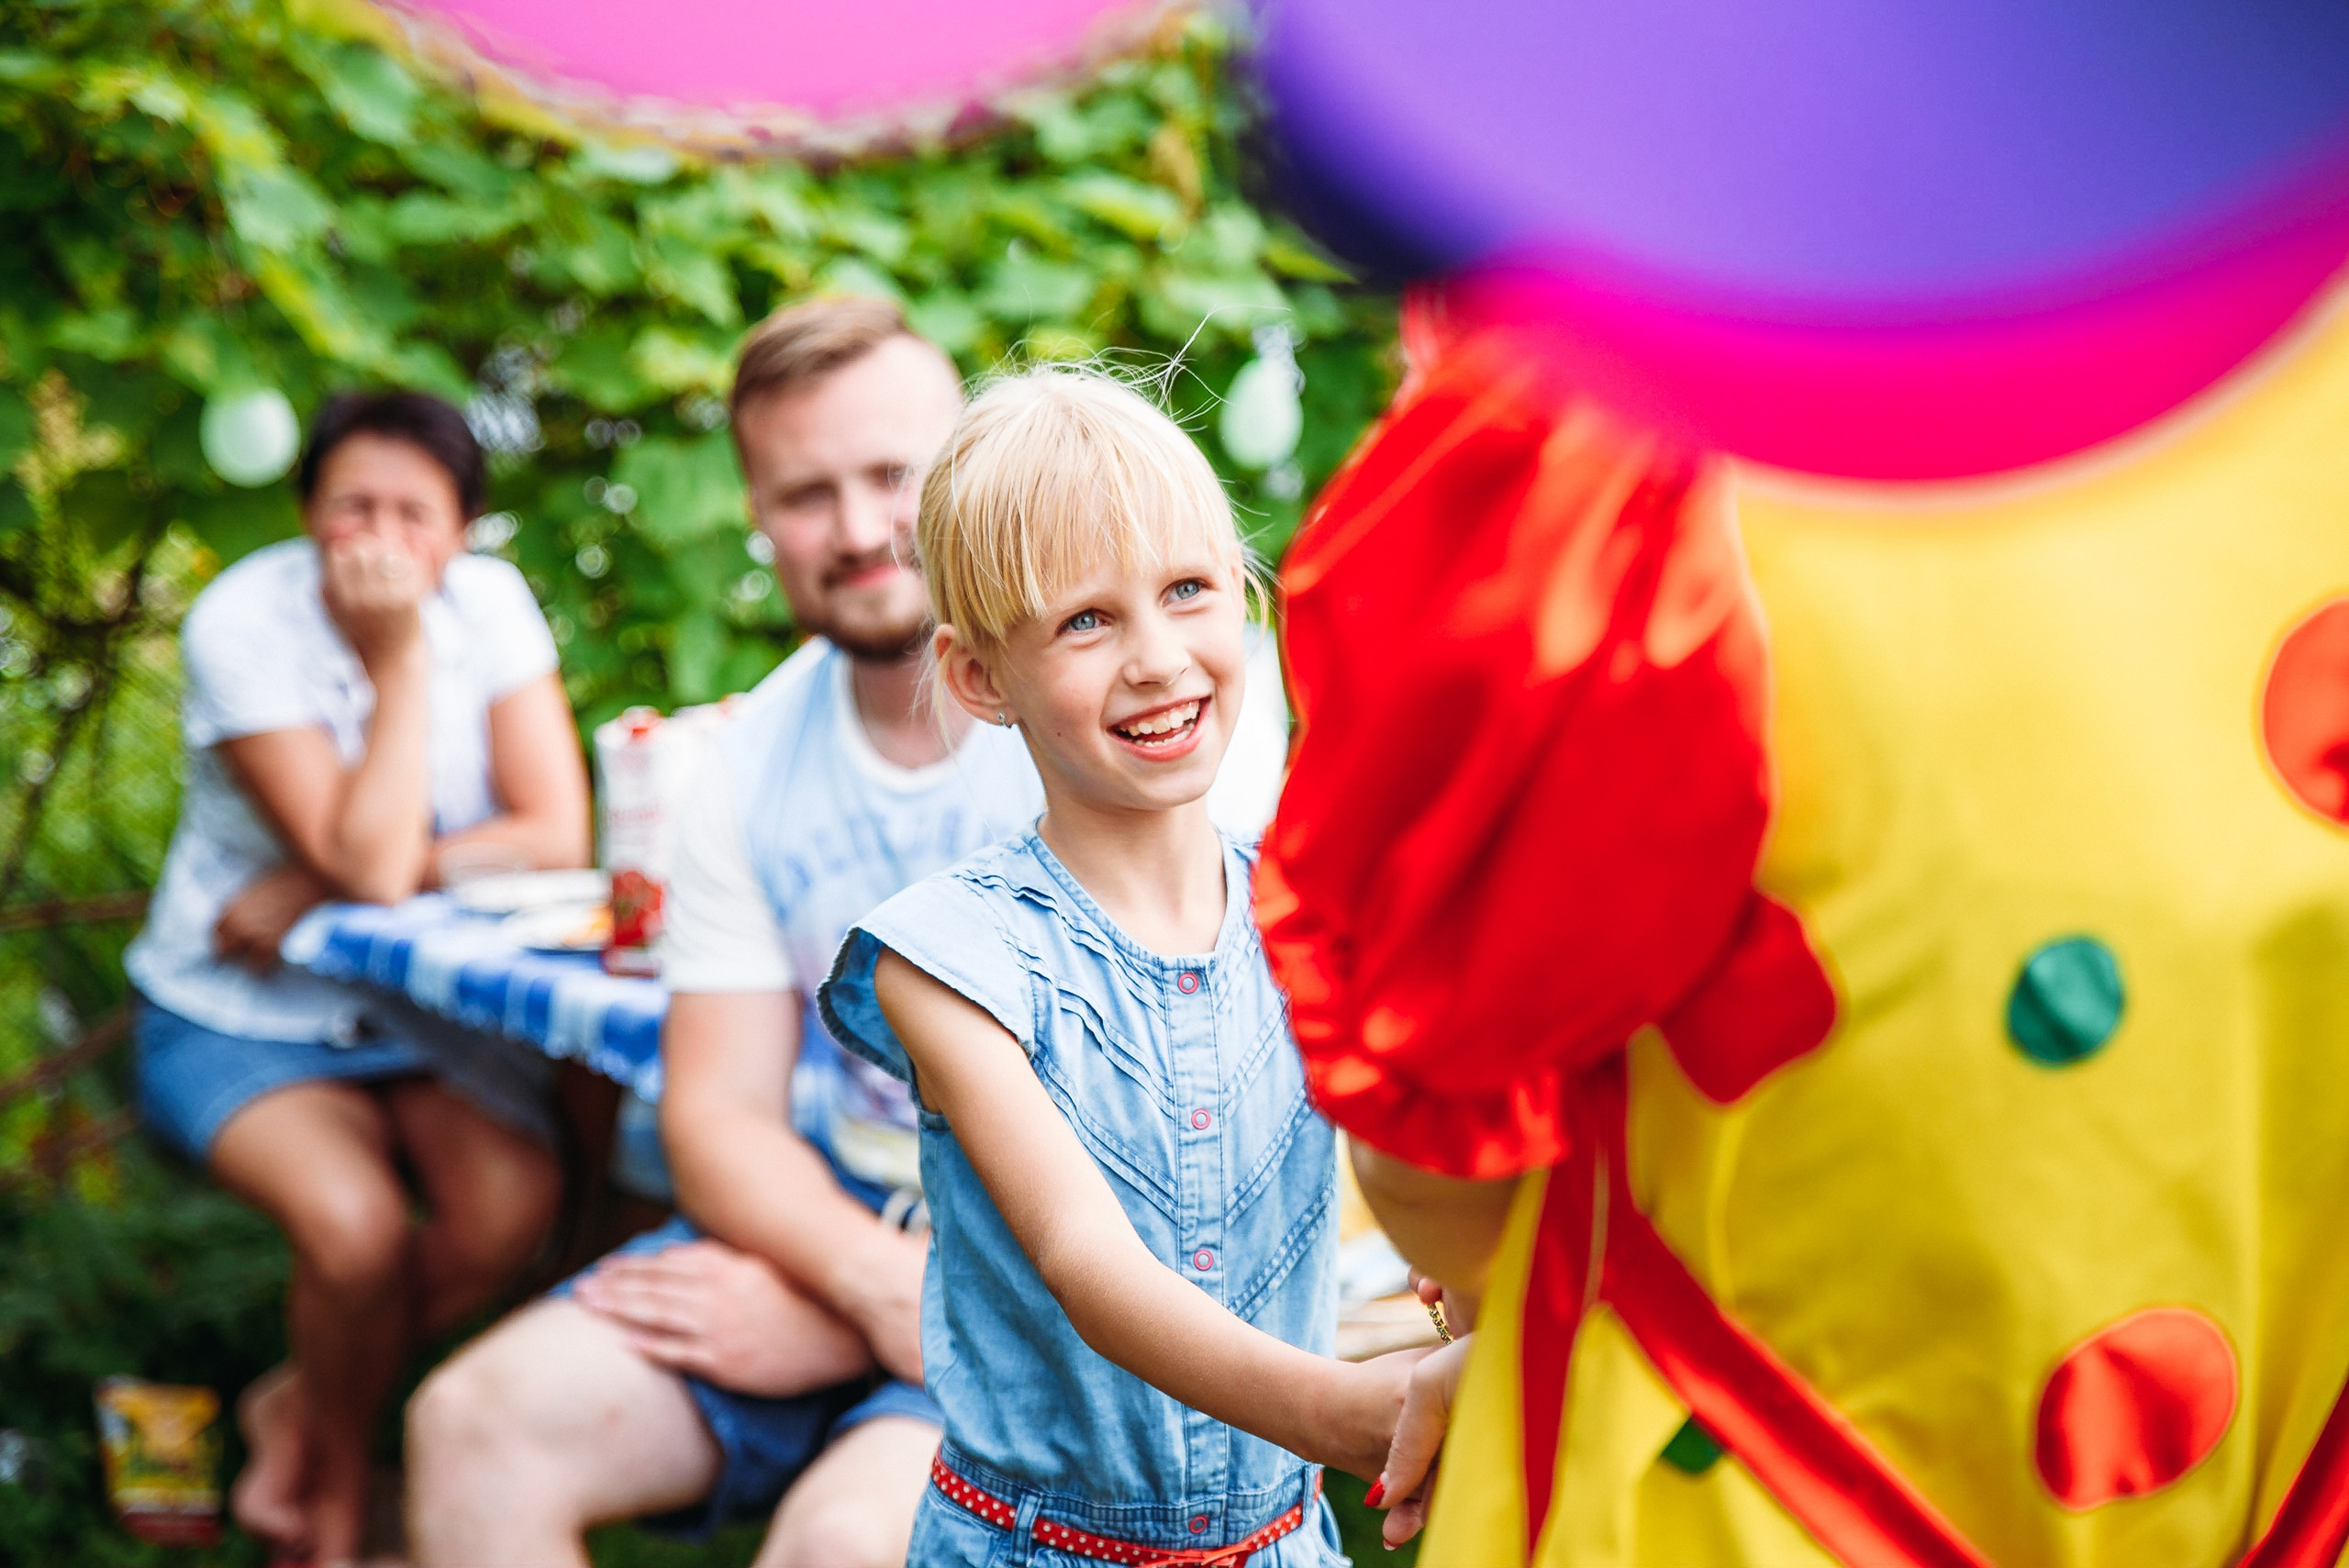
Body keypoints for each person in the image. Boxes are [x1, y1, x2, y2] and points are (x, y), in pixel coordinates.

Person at [406, 298, 1290, 1566]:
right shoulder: (743, 765)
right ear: (758, 517)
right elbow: (717, 1120)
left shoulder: (1141, 711)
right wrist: (866, 1290)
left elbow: (1181, 1110)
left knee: (840, 1543)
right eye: (809, 493)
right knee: (475, 1424)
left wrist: (913, 1309)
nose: (866, 527)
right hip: (836, 1237)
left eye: (896, 475)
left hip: (1087, 1279)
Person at [817, 365, 1422, 1568]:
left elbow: (1415, 1152)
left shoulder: (1314, 910)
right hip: (1038, 1549)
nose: (1157, 657)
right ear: (983, 678)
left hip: (1278, 1543)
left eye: (1188, 591)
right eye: (1086, 621)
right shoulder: (949, 960)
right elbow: (1089, 1267)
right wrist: (1349, 1414)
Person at [122, 390, 586, 1564]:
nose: (378, 541)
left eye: (413, 515)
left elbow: (555, 831)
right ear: (305, 513)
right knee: (356, 1231)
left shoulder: (493, 604)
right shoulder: (243, 620)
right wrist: (396, 659)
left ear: (464, 530)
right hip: (234, 1004)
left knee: (510, 1210)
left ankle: (301, 1398)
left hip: (411, 1007)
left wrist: (334, 883)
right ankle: (327, 1509)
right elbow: (373, 867)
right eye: (351, 509)